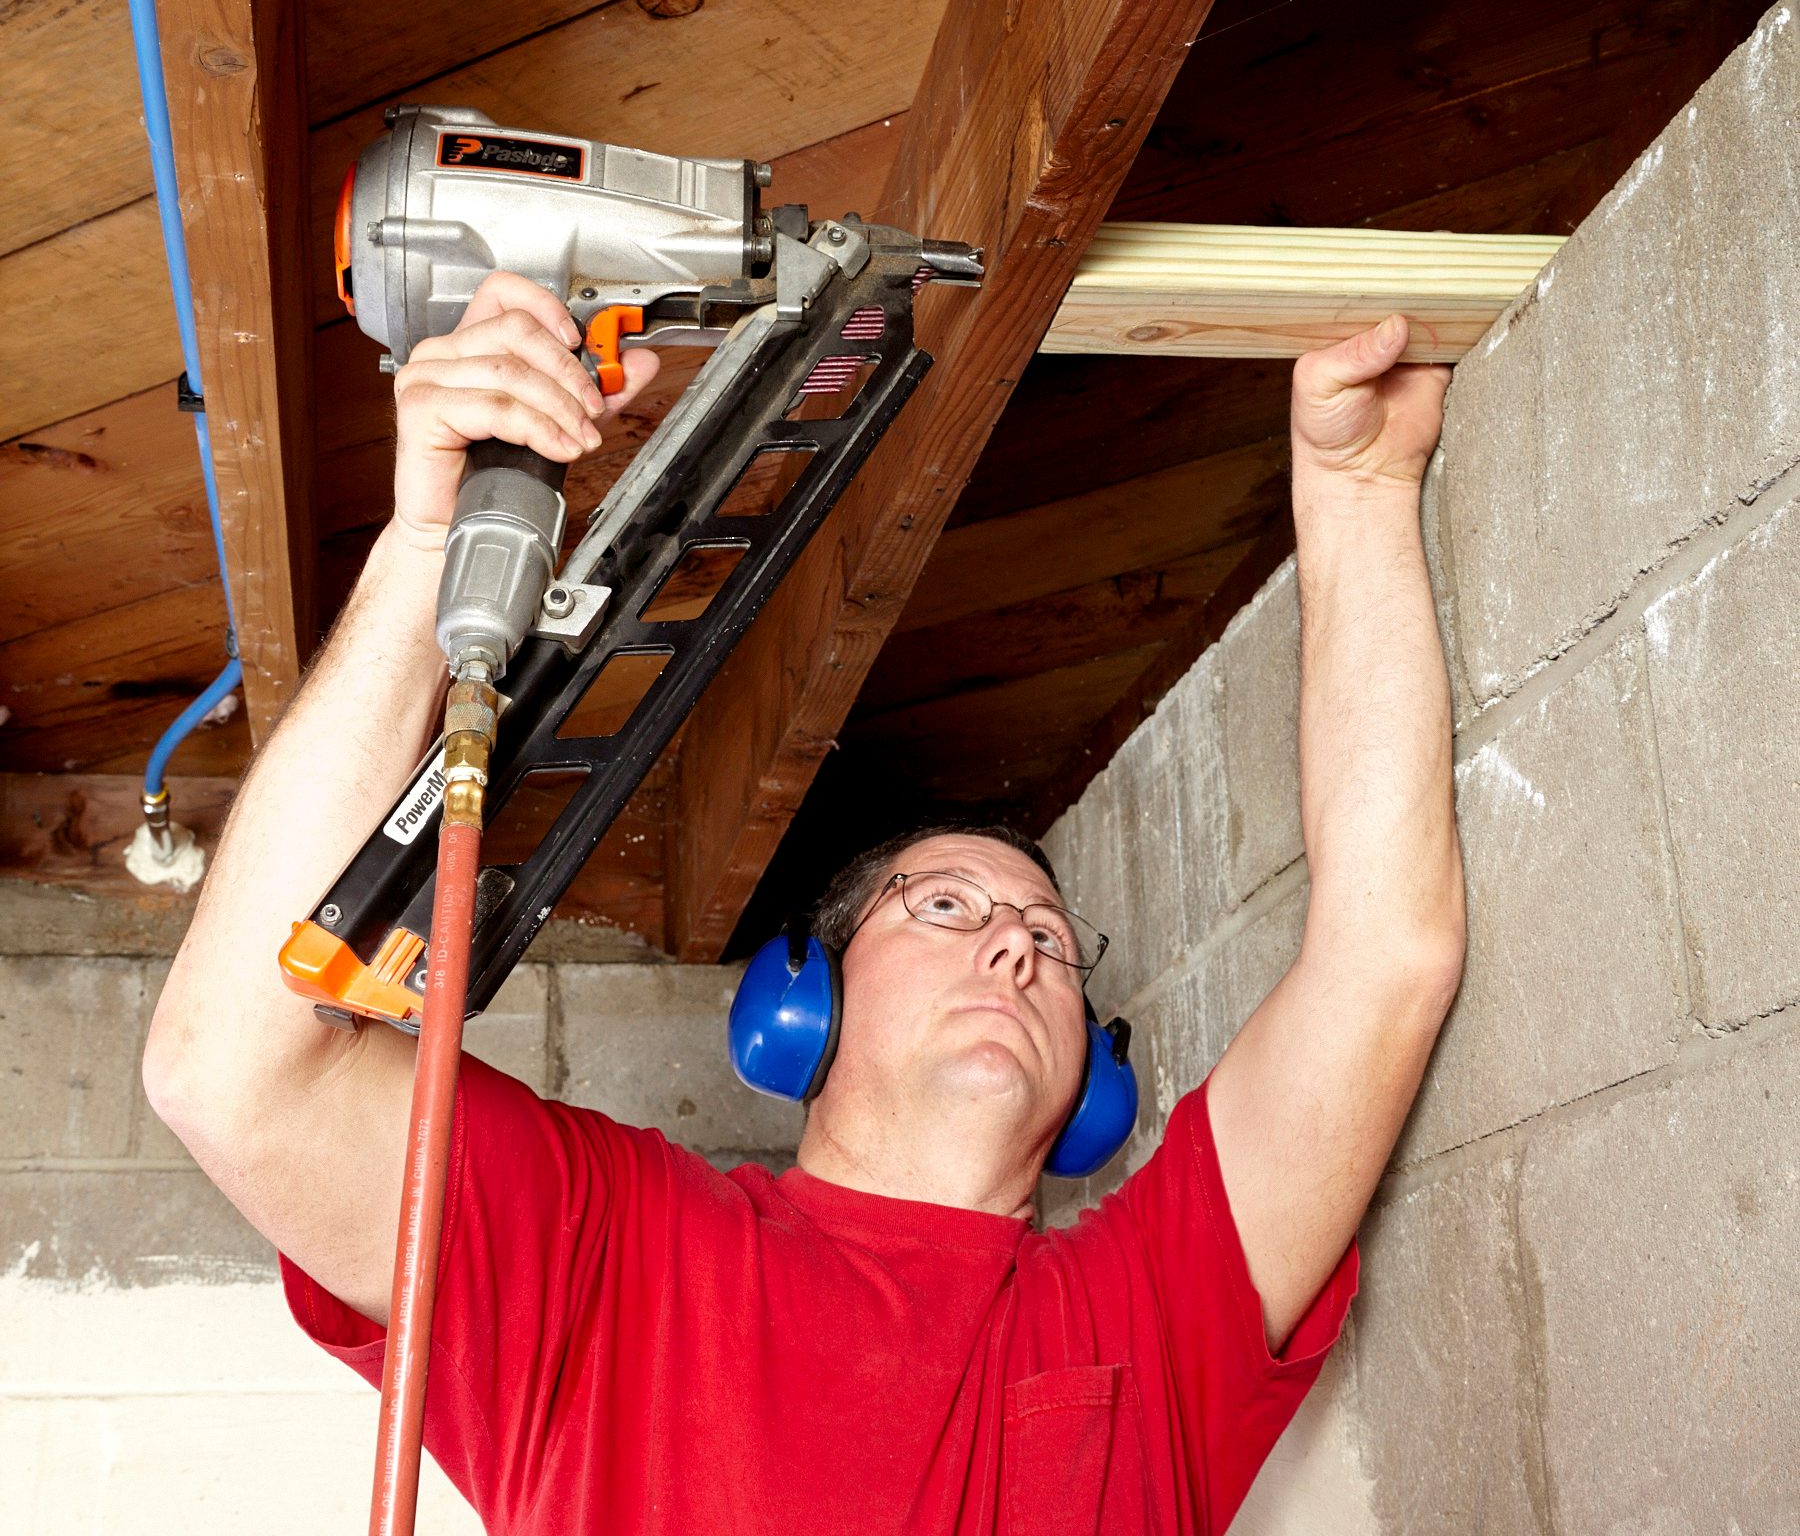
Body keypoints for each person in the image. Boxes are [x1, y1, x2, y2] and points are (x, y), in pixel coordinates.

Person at [143, 272, 1465, 1533]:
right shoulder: (610, 1257)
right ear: (807, 1003)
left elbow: (1384, 956)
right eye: (945, 907)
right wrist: (432, 550)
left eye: (1052, 945)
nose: (1015, 941)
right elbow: (233, 1072)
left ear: (1091, 1098)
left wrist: (1356, 490)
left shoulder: (1155, 1318)